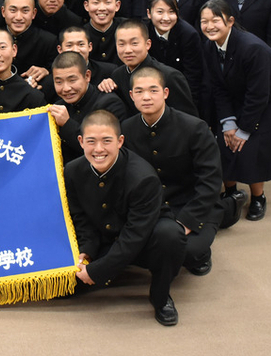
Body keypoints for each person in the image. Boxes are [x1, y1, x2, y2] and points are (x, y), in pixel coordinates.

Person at [64, 110, 187, 326]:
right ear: (81, 141)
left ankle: (161, 297)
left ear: (120, 141)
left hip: (143, 241)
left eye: (107, 141)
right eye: (91, 141)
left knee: (170, 235)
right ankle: (111, 269)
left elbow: (135, 234)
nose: (99, 149)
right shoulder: (72, 172)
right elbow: (81, 219)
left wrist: (98, 270)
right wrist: (87, 252)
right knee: (63, 290)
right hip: (104, 239)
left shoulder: (142, 177)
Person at [122, 67, 246, 277]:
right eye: (140, 91)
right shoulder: (125, 129)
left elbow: (210, 181)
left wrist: (188, 221)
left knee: (188, 252)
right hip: (154, 206)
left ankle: (227, 211)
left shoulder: (194, 128)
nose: (146, 97)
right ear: (131, 95)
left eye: (153, 90)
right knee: (140, 250)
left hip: (193, 203)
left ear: (165, 93)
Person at [199, 0, 271, 221]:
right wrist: (228, 124)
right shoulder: (209, 46)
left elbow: (259, 95)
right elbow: (218, 87)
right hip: (241, 95)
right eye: (204, 21)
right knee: (222, 140)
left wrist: (243, 130)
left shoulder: (252, 48)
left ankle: (258, 197)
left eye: (215, 20)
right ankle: (230, 192)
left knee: (251, 145)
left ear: (230, 21)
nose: (209, 26)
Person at [98, 19, 198, 118]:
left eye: (134, 43)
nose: (127, 50)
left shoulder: (169, 76)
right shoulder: (118, 75)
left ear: (148, 44)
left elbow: (189, 119)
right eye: (121, 44)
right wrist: (106, 86)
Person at [48, 52, 126, 163]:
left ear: (87, 76)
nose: (66, 88)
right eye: (59, 82)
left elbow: (103, 150)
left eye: (72, 80)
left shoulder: (109, 103)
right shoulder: (58, 106)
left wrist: (67, 124)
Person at [142, 0, 204, 108]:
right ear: (149, 13)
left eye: (171, 12)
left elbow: (193, 76)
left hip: (179, 92)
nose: (166, 18)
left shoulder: (188, 35)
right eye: (160, 12)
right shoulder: (143, 31)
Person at [82, 0, 122, 66]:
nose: (102, 8)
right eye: (96, 3)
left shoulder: (127, 29)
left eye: (108, 2)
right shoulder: (81, 34)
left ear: (117, 5)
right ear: (86, 6)